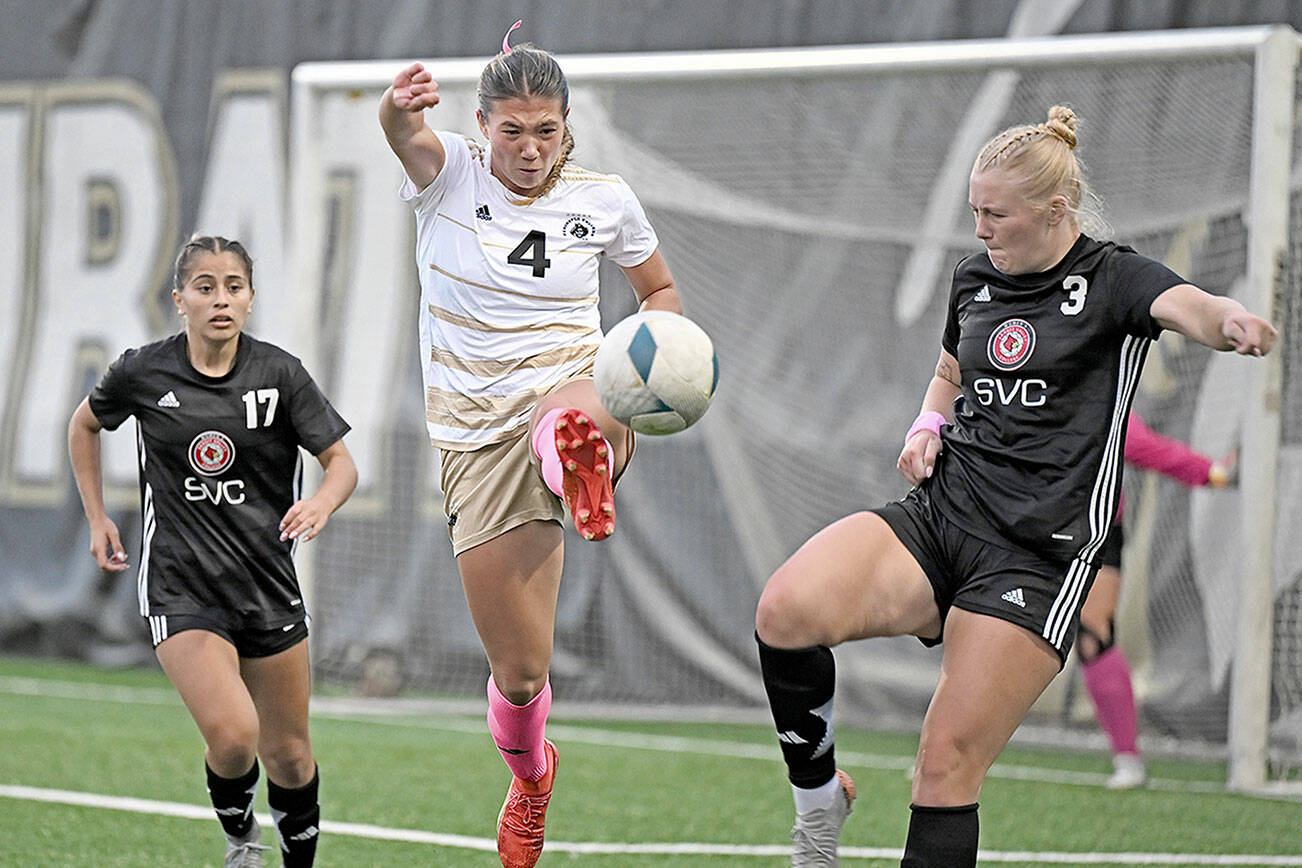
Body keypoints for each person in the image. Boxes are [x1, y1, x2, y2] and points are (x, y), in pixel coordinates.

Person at [753, 106, 1277, 867]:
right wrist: (925, 427)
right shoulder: (974, 279)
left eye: (995, 215)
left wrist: (1228, 320)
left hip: (1038, 554)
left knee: (944, 763)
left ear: (1055, 212)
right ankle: (819, 804)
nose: (980, 231)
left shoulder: (1115, 278)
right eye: (974, 211)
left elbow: (1186, 304)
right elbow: (947, 373)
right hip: (944, 514)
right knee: (785, 610)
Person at [378, 26, 681, 868]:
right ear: (481, 127)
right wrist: (396, 110)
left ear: (567, 125)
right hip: (476, 440)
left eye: (546, 130)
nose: (529, 148)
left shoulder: (605, 199)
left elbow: (657, 291)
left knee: (581, 407)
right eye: (511, 130)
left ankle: (579, 457)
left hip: (570, 387)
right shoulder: (448, 180)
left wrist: (667, 350)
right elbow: (405, 138)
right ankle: (532, 778)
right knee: (520, 674)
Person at [67, 235, 357, 868]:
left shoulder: (279, 373)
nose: (220, 299)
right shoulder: (142, 371)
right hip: (181, 584)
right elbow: (84, 424)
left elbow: (340, 463)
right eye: (205, 287)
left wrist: (322, 502)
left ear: (250, 299)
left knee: (290, 755)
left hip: (265, 582)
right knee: (233, 735)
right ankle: (240, 846)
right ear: (180, 300)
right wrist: (96, 519)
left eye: (233, 286)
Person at [1081, 411, 1236, 789]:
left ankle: (1127, 758)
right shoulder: (1023, 380)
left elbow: (1144, 447)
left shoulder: (1102, 386)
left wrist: (1212, 473)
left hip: (1092, 529)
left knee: (1093, 634)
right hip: (1023, 522)